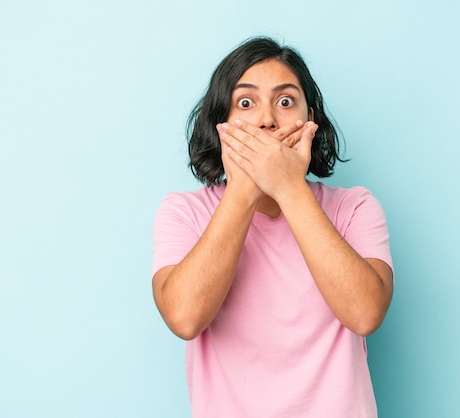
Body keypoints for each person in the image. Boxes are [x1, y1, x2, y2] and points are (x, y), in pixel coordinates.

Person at [152, 37, 393, 417]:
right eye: (245, 103)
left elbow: (365, 314)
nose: (267, 120)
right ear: (222, 124)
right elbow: (184, 318)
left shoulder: (354, 207)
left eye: (285, 102)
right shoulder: (184, 212)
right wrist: (243, 192)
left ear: (310, 120)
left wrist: (289, 187)